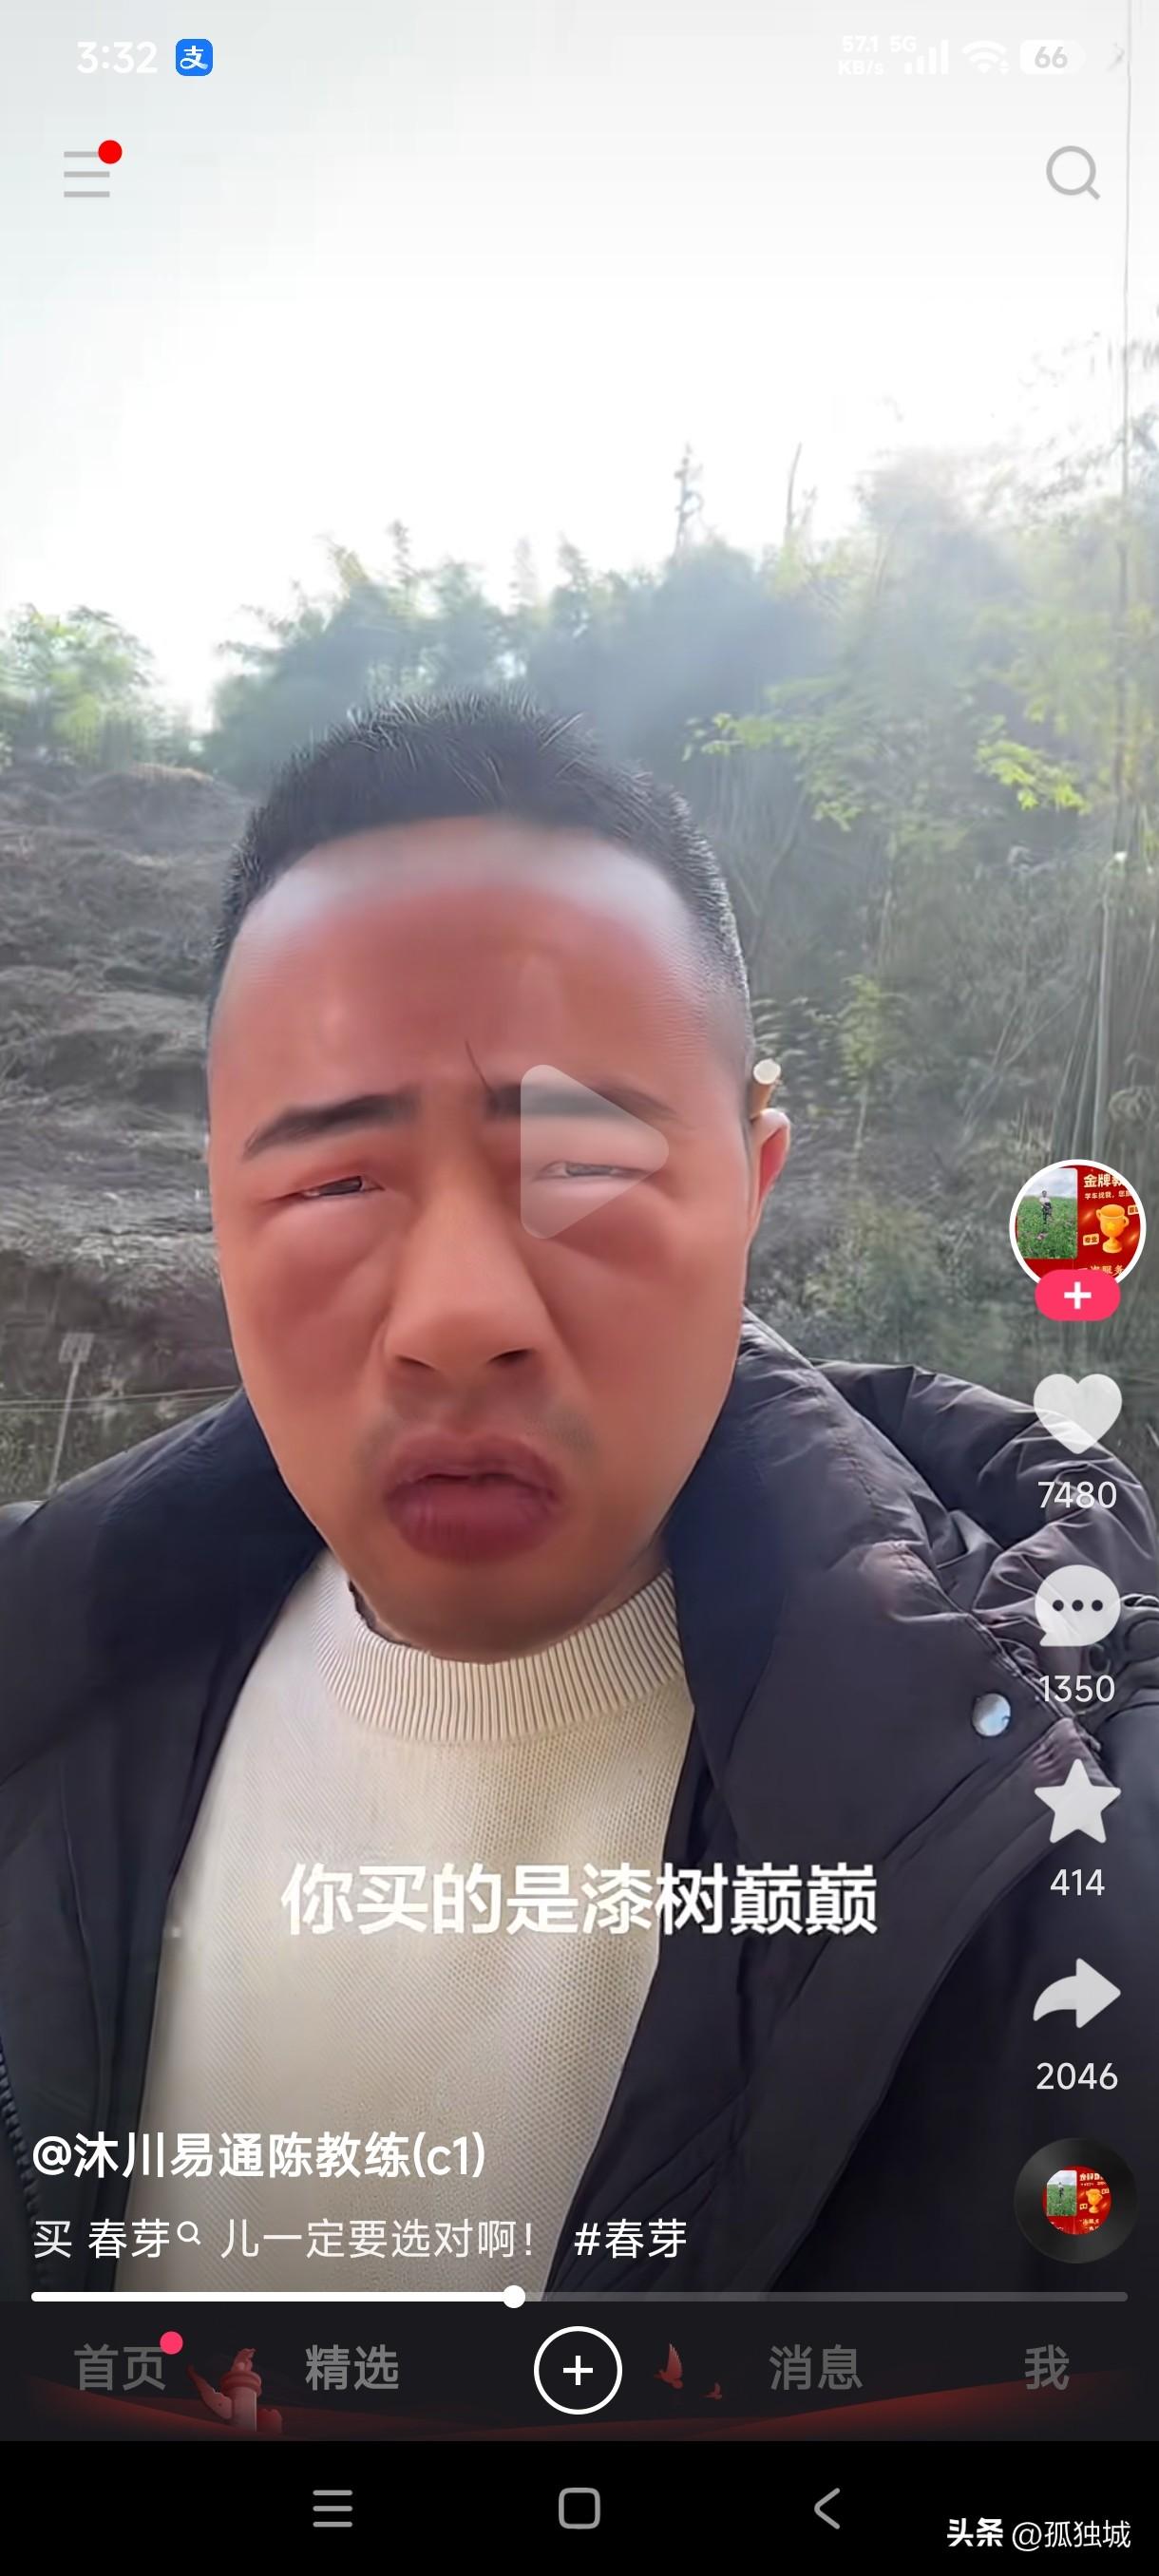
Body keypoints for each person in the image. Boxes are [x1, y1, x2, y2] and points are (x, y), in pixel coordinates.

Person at [1, 690, 1157, 2303]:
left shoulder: (1062, 1823)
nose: (460, 1315)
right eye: (334, 1180)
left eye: (588, 1169)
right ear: (220, 1206)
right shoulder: (40, 1683)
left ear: (750, 1186)